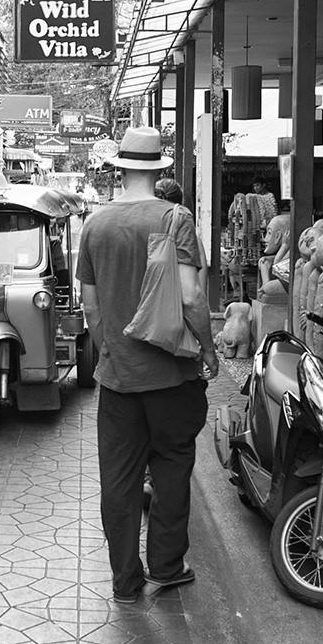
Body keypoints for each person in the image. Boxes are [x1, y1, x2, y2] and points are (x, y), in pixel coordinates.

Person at [76, 126, 218, 604]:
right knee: (173, 467)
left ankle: (124, 581)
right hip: (172, 377)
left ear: (120, 169)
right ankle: (166, 566)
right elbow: (193, 297)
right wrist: (210, 349)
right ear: (159, 169)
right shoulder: (175, 218)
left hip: (117, 382)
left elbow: (90, 308)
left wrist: (111, 348)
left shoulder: (94, 225)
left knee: (118, 481)